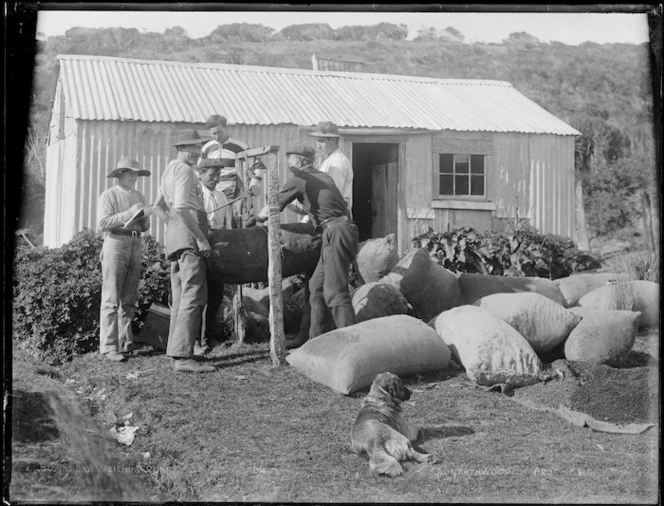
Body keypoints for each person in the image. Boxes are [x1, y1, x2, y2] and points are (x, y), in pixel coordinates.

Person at [253, 144, 359, 345]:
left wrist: (255, 219)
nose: (289, 164)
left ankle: (353, 344)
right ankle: (312, 340)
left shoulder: (300, 179)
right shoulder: (320, 177)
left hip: (335, 232)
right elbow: (314, 209)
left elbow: (273, 206)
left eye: (290, 159)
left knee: (336, 292)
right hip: (336, 229)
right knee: (316, 286)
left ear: (300, 161)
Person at [157, 128, 216, 373]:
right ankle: (183, 357)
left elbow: (159, 207)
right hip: (189, 237)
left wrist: (174, 227)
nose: (196, 152)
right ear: (181, 148)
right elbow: (181, 208)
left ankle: (178, 351)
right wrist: (200, 238)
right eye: (192, 147)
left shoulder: (169, 169)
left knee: (181, 297)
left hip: (176, 237)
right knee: (194, 294)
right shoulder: (184, 170)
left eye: (198, 147)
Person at [97, 157, 152, 362]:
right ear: (119, 174)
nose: (133, 176)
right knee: (111, 297)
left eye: (136, 173)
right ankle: (109, 346)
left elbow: (144, 226)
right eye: (129, 172)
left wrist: (144, 217)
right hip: (116, 242)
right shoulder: (109, 195)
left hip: (135, 243)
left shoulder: (139, 195)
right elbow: (103, 223)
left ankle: (126, 341)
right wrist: (128, 213)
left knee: (129, 297)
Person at [194, 157, 234, 353]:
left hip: (219, 248)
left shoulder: (221, 196)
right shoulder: (196, 194)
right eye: (212, 175)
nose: (216, 179)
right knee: (200, 294)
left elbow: (227, 224)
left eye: (218, 175)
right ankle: (197, 339)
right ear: (200, 174)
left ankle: (210, 335)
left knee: (216, 295)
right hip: (201, 245)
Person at [309, 121, 353, 212]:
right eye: (317, 141)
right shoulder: (329, 160)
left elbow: (335, 194)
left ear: (333, 140)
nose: (318, 146)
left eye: (321, 141)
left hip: (334, 215)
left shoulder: (337, 162)